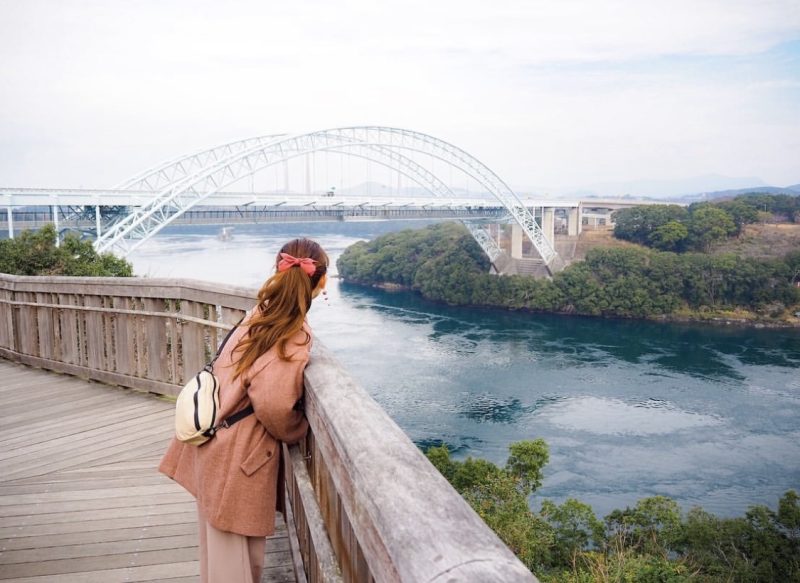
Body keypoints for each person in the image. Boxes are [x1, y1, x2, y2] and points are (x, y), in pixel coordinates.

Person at [159, 238, 328, 583]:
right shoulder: (291, 333)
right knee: (234, 568)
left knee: (220, 557)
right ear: (320, 280)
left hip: (217, 447)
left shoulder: (261, 315)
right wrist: (298, 429)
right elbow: (275, 405)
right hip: (237, 458)